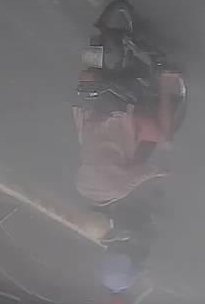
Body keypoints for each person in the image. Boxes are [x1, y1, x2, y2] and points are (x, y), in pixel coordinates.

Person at [75, 71, 180, 207]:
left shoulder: (117, 190)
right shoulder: (81, 184)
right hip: (92, 121)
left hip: (119, 122)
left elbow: (141, 173)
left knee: (165, 138)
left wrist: (161, 171)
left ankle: (168, 81)